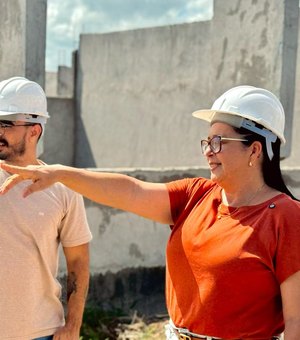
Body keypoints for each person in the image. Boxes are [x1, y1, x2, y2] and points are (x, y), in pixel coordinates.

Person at [1, 85, 299, 340]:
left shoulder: (286, 217)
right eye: (207, 141)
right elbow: (131, 191)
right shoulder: (195, 196)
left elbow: (296, 321)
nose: (208, 150)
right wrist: (60, 174)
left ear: (255, 150)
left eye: (219, 142)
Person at [0, 77, 92, 340]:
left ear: (34, 130)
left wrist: (73, 326)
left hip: (40, 333)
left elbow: (78, 262)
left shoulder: (64, 190)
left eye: (6, 124)